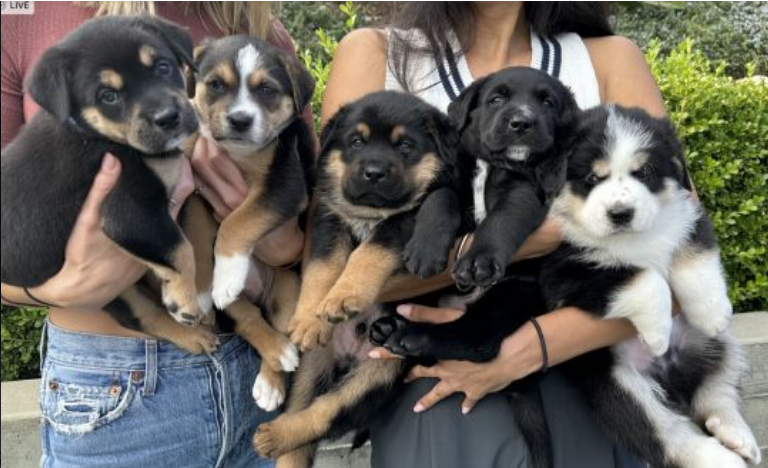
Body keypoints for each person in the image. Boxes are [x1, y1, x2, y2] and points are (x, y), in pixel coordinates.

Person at [322, 2, 675, 467]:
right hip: (432, 384)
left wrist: (530, 347)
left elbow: (676, 251)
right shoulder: (377, 54)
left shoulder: (608, 59)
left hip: (592, 379)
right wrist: (537, 238)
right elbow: (336, 269)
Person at [0, 2, 311, 467]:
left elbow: (312, 199)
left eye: (167, 71)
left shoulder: (252, 25)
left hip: (253, 365)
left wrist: (284, 249)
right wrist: (46, 288)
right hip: (115, 384)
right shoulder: (21, 13)